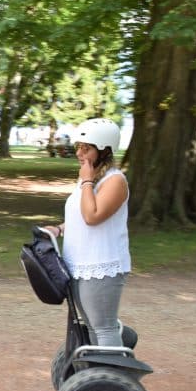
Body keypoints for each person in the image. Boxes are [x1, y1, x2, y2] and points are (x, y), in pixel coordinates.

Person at [44, 118, 130, 349]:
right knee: (91, 327)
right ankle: (97, 370)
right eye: (78, 147)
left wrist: (87, 182)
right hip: (79, 263)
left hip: (101, 263)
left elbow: (93, 216)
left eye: (86, 148)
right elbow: (80, 216)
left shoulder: (114, 181)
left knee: (104, 327)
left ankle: (112, 371)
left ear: (104, 150)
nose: (79, 153)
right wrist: (59, 229)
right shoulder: (89, 179)